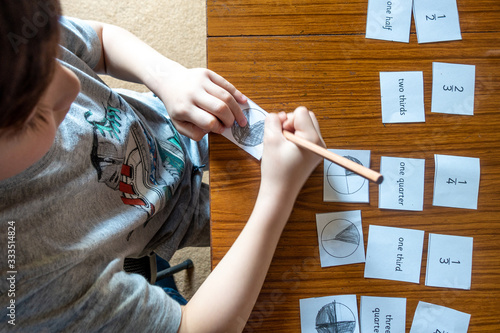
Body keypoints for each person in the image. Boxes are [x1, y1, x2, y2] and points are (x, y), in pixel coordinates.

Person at [0, 1, 325, 332]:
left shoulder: (13, 34)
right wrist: (277, 193)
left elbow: (101, 40)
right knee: (295, 221)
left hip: (168, 124)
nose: (74, 83)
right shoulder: (20, 280)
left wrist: (165, 75)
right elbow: (196, 328)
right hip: (166, 224)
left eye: (52, 58)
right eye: (36, 114)